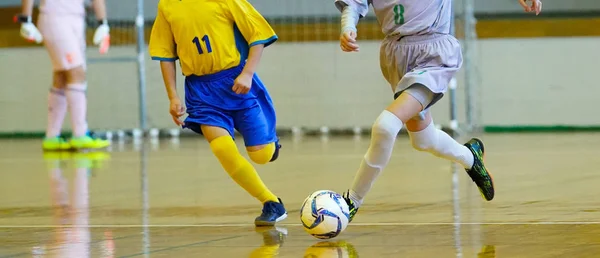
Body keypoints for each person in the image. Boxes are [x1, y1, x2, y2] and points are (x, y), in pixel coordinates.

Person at [334, 0, 543, 222]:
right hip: (395, 55)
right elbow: (353, 4)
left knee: (385, 126)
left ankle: (352, 201)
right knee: (423, 140)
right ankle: (470, 157)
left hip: (433, 54)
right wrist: (348, 27)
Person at [149, 0, 287, 226]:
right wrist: (172, 96)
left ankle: (271, 146)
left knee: (261, 155)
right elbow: (165, 54)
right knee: (223, 149)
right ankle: (270, 202)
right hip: (201, 92)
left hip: (235, 81)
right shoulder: (167, 6)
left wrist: (248, 73)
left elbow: (257, 35)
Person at [17, 0, 112, 151]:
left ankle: (52, 136)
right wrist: (26, 18)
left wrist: (103, 23)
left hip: (77, 19)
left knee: (61, 75)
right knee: (77, 72)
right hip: (54, 18)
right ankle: (80, 134)